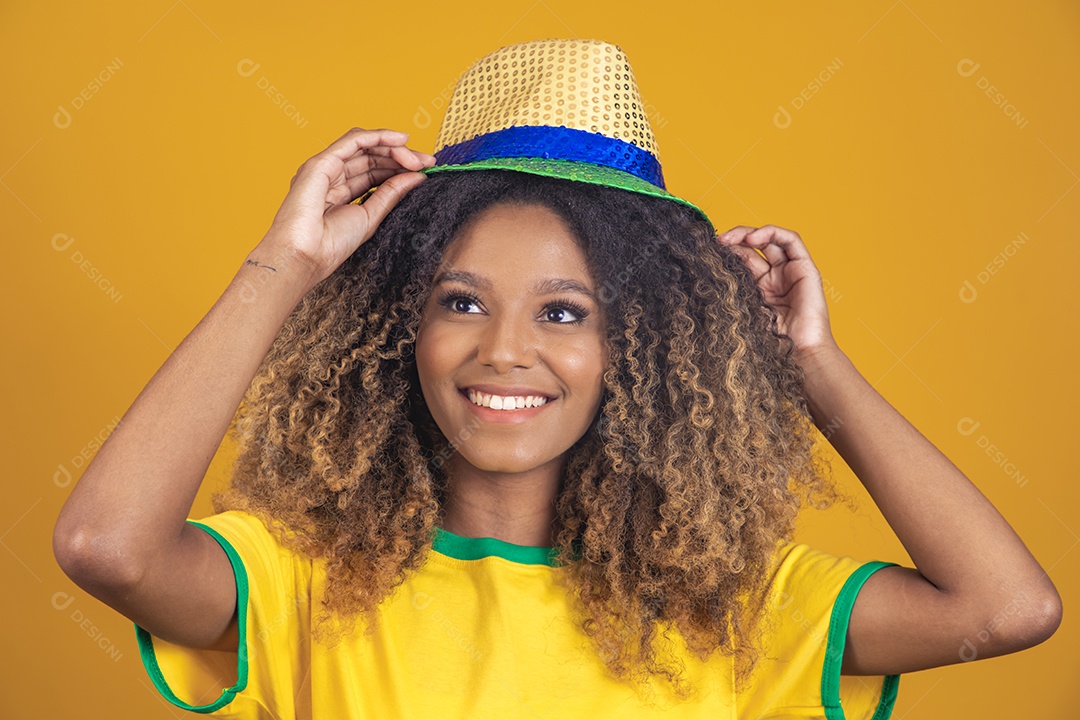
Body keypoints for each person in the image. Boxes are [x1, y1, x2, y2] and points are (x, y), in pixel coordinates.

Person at [53, 39, 1061, 719]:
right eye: (460, 300)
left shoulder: (733, 612)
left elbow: (1007, 612)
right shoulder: (298, 580)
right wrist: (286, 266)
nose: (504, 348)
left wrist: (807, 363)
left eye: (565, 312)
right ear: (400, 327)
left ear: (638, 348)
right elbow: (105, 547)